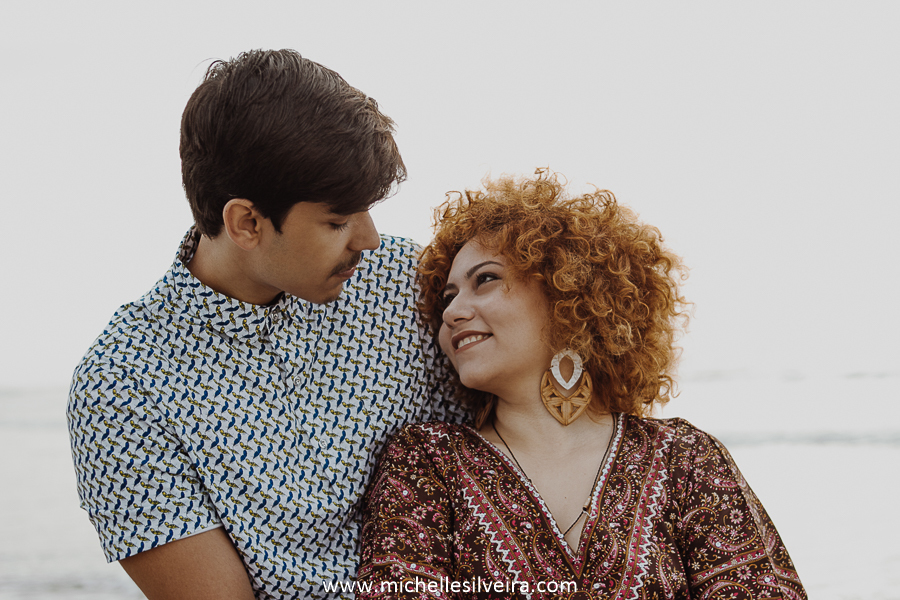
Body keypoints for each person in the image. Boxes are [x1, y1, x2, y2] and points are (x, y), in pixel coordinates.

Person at [67, 49, 463, 600]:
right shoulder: (123, 388)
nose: (369, 240)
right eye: (338, 220)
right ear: (246, 222)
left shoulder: (407, 283)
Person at [357, 171, 806, 599]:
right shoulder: (426, 461)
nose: (453, 312)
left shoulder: (683, 458)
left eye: (486, 280)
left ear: (567, 292)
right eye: (448, 297)